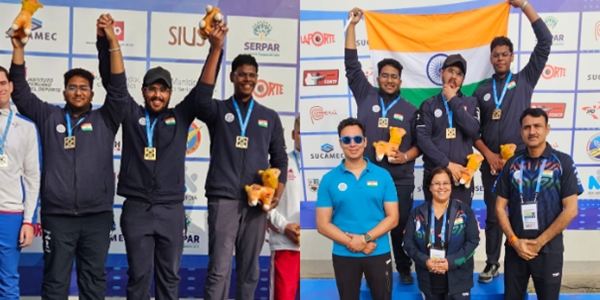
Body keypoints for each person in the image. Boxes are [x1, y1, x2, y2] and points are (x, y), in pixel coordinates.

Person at [95, 15, 225, 299]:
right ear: (143, 91)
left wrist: (215, 49)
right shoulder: (131, 114)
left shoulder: (180, 115)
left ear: (170, 93)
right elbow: (114, 84)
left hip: (170, 211)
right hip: (137, 209)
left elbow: (204, 90)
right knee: (138, 278)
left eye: (162, 90)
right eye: (152, 89)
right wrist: (107, 41)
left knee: (169, 279)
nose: (156, 95)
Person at [9, 23, 128, 300]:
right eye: (72, 88)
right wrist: (18, 49)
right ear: (64, 92)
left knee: (94, 282)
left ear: (92, 93)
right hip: (57, 217)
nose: (78, 92)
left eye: (84, 88)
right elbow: (22, 93)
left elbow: (120, 92)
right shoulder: (49, 116)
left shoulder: (106, 119)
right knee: (54, 282)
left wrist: (112, 41)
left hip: (96, 217)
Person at [196, 34, 288, 300]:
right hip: (223, 198)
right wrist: (216, 50)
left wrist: (275, 198)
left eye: (251, 74)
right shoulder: (218, 110)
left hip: (256, 204)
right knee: (219, 269)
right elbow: (201, 100)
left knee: (249, 269)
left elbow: (280, 161)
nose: (247, 79)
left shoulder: (268, 117)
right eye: (241, 74)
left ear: (257, 78)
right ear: (232, 77)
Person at [473, 0, 552, 283]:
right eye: (495, 55)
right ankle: (492, 262)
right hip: (491, 164)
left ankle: (526, 257)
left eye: (504, 54)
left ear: (511, 56)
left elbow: (545, 40)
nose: (500, 59)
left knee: (526, 211)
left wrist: (526, 6)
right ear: (491, 58)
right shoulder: (481, 90)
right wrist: (489, 156)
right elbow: (474, 131)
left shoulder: (525, 78)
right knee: (494, 216)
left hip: (523, 162)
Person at [345, 7, 420, 284]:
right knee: (367, 224)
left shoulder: (411, 110)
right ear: (378, 78)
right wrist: (352, 26)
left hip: (400, 178)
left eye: (394, 76)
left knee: (399, 226)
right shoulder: (365, 94)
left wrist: (406, 155)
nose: (389, 80)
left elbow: (420, 146)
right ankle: (368, 269)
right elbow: (351, 65)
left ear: (401, 81)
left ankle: (403, 267)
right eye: (385, 75)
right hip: (365, 175)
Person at [494, 108, 583, 299]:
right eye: (527, 127)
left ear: (547, 129)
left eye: (537, 126)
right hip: (515, 249)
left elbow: (571, 209)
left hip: (549, 250)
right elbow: (499, 207)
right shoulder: (512, 164)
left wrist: (539, 242)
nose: (532, 131)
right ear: (521, 132)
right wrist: (514, 241)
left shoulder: (563, 162)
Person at [316, 117, 399, 300]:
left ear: (365, 141)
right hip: (344, 254)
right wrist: (352, 243)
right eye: (346, 140)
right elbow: (322, 224)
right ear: (340, 143)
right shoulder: (329, 179)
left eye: (357, 139)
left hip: (378, 250)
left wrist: (365, 238)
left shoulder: (383, 175)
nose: (352, 144)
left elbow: (393, 218)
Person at [404, 167, 480, 300]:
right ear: (429, 187)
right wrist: (425, 261)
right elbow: (408, 244)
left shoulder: (464, 211)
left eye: (445, 183)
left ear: (451, 186)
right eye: (437, 183)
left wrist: (451, 262)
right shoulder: (417, 213)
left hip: (459, 280)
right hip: (429, 280)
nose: (441, 187)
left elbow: (473, 242)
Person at [416, 54, 480, 206]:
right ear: (441, 73)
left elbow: (473, 130)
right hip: (435, 176)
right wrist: (447, 164)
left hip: (462, 176)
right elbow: (423, 140)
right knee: (434, 224)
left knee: (460, 224)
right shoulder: (428, 105)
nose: (454, 76)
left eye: (459, 74)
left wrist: (453, 100)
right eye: (451, 71)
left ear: (463, 79)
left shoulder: (471, 103)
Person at [0, 65, 40, 300]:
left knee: (7, 280)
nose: (0, 89)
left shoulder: (26, 127)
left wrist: (28, 221)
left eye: (3, 83)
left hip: (10, 214)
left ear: (11, 86)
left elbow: (33, 177)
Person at [266, 115, 301, 300]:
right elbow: (265, 203)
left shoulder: (327, 168)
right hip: (285, 246)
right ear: (294, 134)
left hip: (318, 248)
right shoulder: (279, 166)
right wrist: (284, 226)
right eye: (302, 133)